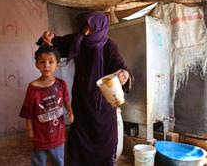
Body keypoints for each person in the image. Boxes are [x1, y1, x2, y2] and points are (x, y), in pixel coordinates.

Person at [38, 11, 133, 166]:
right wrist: (49, 38)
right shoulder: (79, 40)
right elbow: (57, 44)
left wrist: (124, 74)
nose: (87, 32)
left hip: (102, 106)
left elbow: (122, 68)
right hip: (81, 103)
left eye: (91, 29)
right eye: (85, 28)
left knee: (104, 145)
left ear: (101, 29)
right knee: (78, 144)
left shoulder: (109, 46)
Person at [19, 46, 74, 166]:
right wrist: (30, 131)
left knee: (59, 162)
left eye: (51, 62)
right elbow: (28, 112)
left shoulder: (61, 84)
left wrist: (70, 111)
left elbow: (66, 101)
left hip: (58, 135)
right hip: (40, 136)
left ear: (57, 65)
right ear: (37, 65)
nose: (46, 65)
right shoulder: (33, 88)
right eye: (42, 62)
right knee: (38, 162)